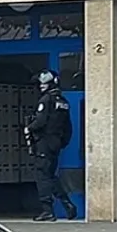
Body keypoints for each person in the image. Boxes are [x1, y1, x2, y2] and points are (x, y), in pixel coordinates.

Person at [25, 69, 77, 222]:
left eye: (43, 83)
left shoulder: (46, 100)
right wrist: (61, 143)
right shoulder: (63, 102)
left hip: (44, 142)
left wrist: (29, 127)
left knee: (42, 176)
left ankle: (47, 210)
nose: (41, 86)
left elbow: (40, 122)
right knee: (50, 175)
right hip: (55, 143)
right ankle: (67, 204)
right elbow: (68, 127)